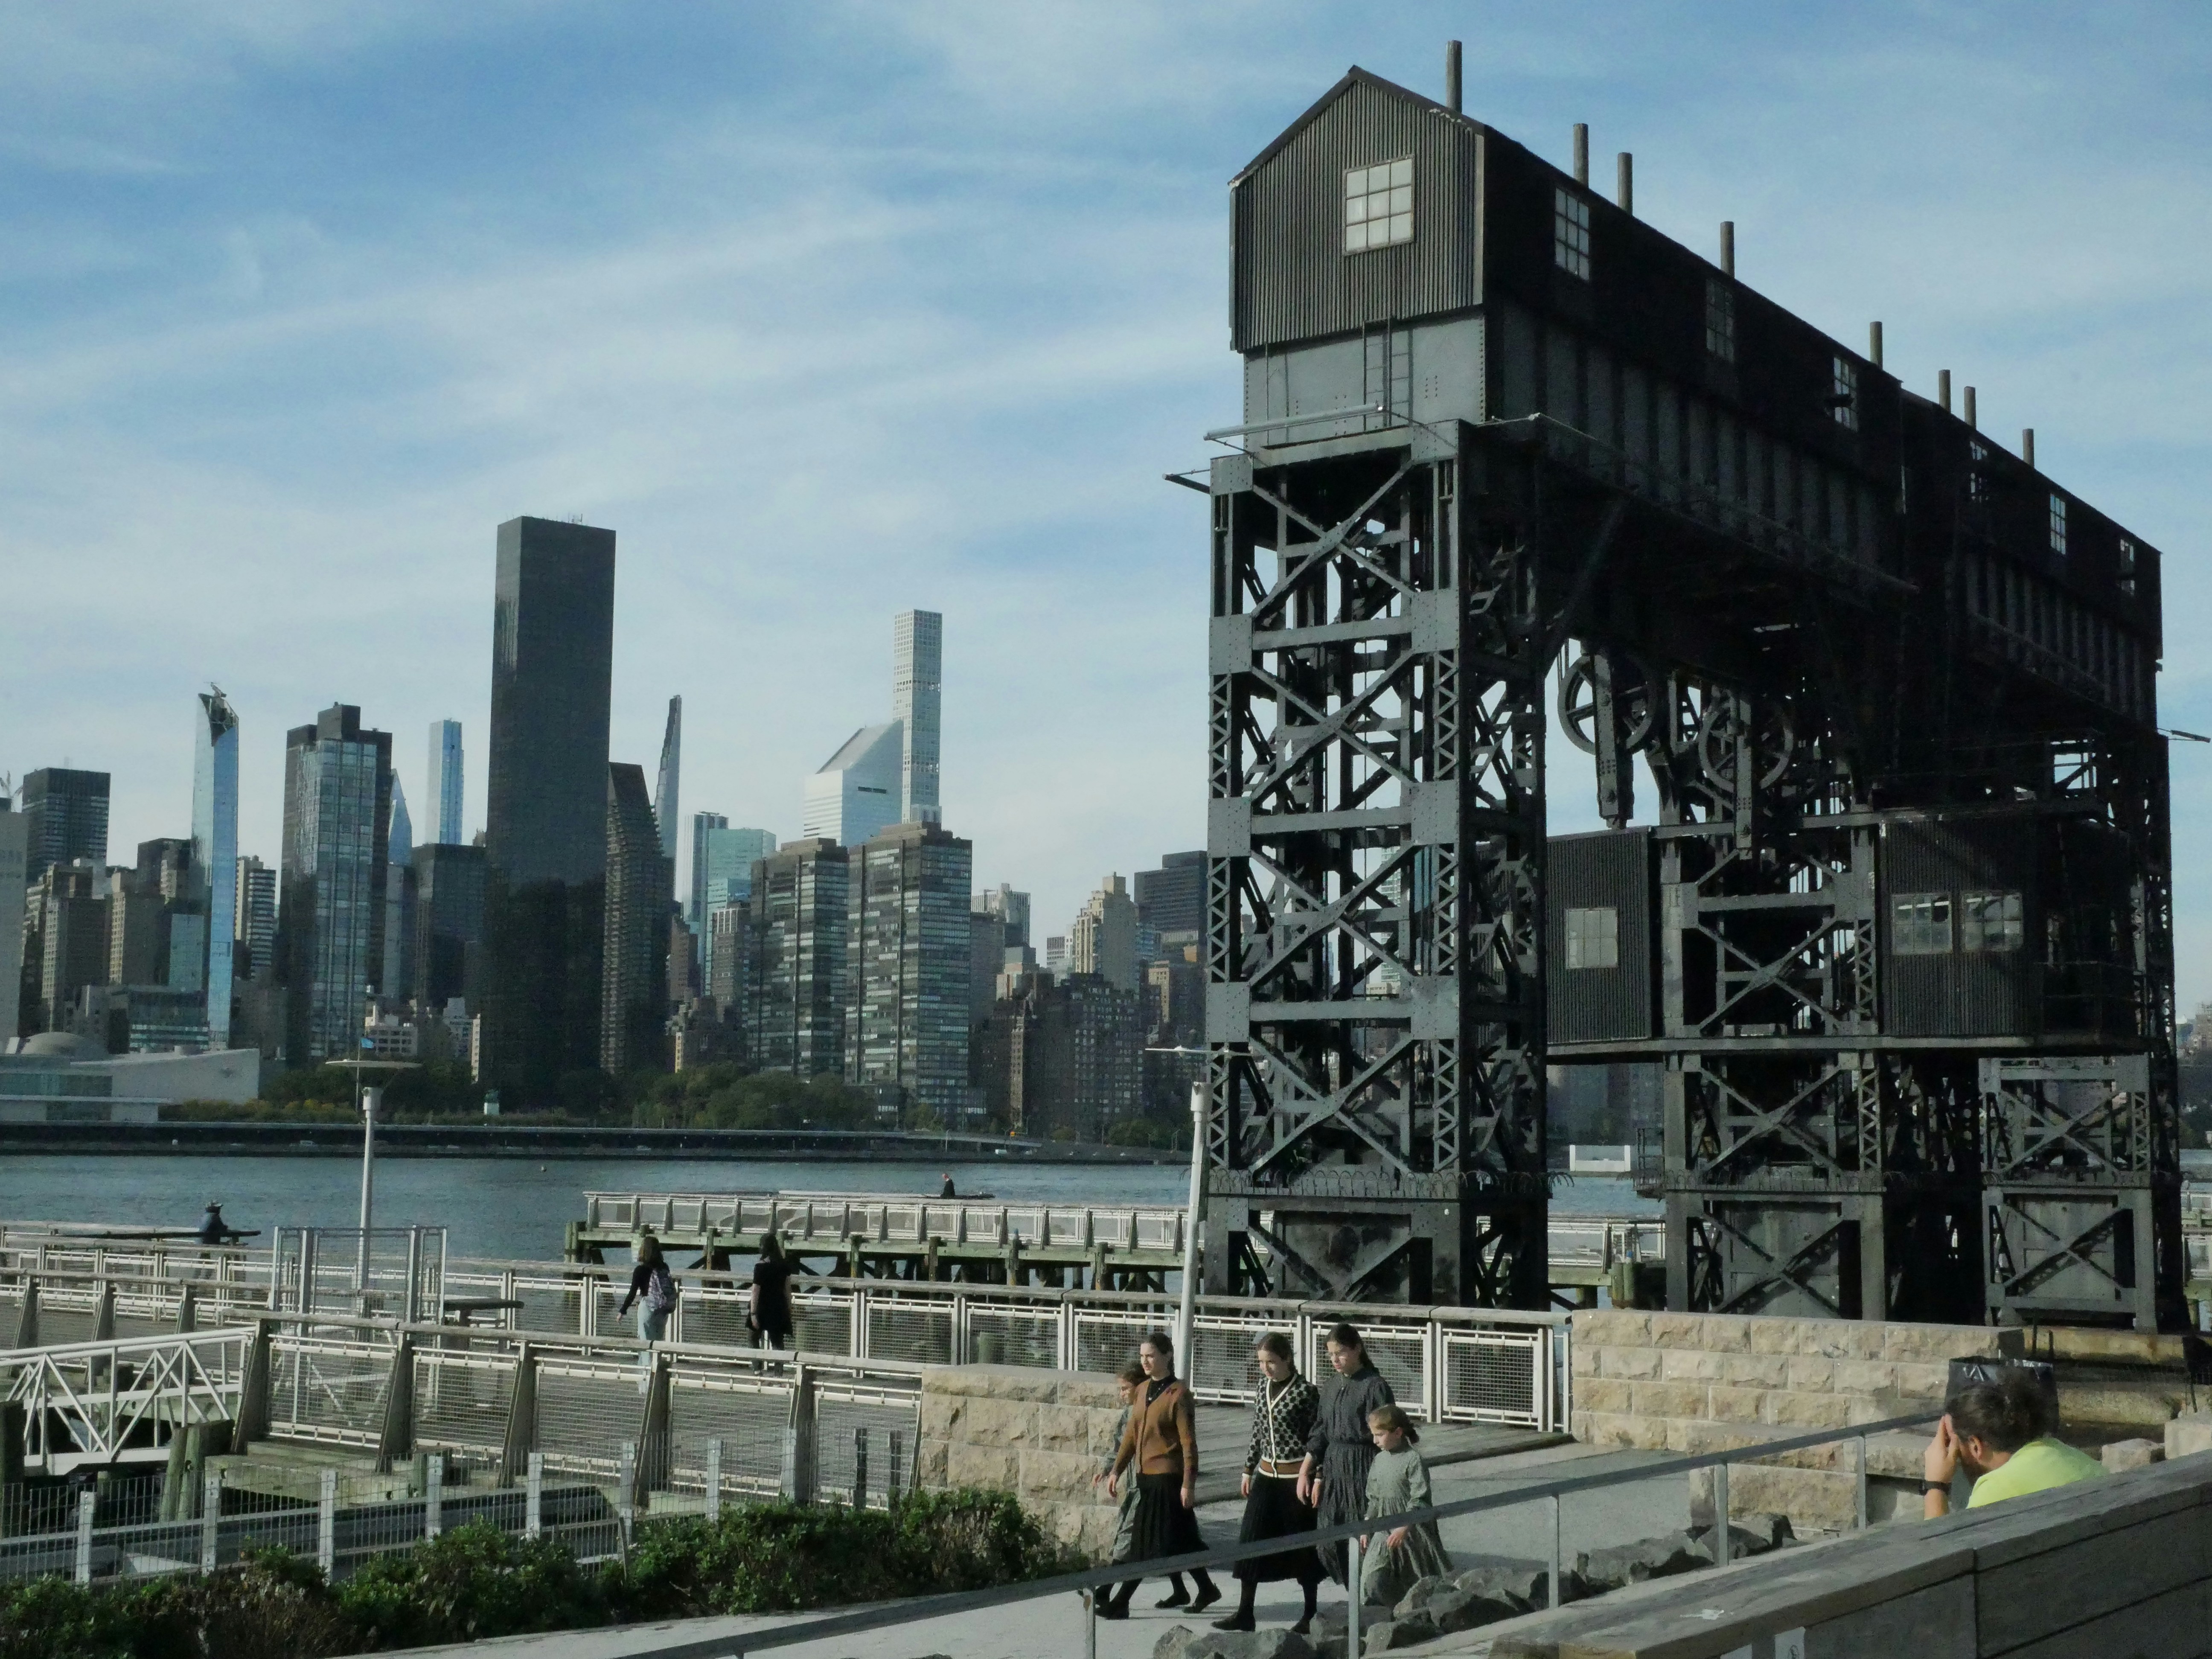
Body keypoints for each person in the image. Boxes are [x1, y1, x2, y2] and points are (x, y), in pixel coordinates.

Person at [1098, 1330, 1220, 1620]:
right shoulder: (1142, 1390)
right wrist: (1116, 1470)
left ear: (1167, 1356)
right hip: (1145, 1478)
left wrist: (1188, 1484)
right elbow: (1131, 1436)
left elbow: (1189, 1444)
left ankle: (1121, 1602)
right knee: (1182, 1541)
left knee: (1144, 1543)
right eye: (1142, 1356)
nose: (1145, 1362)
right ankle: (1206, 1588)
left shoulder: (1179, 1394)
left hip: (1167, 1479)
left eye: (1151, 1356)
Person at [1214, 1333, 1325, 1635]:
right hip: (1266, 1475)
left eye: (1272, 1362)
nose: (1266, 1368)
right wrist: (1247, 1468)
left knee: (1302, 1545)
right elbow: (1259, 1429)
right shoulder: (1262, 1387)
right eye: (1262, 1362)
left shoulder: (1305, 1392)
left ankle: (1310, 1613)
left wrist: (1318, 1476)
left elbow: (1318, 1437)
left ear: (1287, 1359)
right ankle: (1245, 1613)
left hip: (1295, 1479)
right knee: (1251, 1540)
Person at [1922, 1368, 2104, 1516]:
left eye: (1955, 1446)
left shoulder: (1996, 1490)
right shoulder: (2072, 1457)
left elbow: (1941, 1550)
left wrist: (1936, 1486)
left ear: (1976, 1446)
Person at [1298, 1322, 1394, 1587]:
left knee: (1362, 1540)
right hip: (1334, 1468)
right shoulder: (1331, 1386)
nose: (1335, 1360)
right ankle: (1354, 1595)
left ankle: (1365, 1597)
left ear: (1357, 1349)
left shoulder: (1374, 1386)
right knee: (1329, 1540)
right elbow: (1321, 1431)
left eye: (1340, 1353)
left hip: (1363, 1466)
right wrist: (1309, 1472)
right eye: (1331, 1354)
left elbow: (1387, 1433)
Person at [1359, 1405, 1451, 1607]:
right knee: (1371, 1577)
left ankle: (1410, 1612)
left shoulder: (1413, 1460)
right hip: (1384, 1527)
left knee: (1415, 1579)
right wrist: (1367, 1525)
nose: (1375, 1441)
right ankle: (1384, 1610)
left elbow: (1420, 1498)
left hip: (1412, 1531)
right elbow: (1374, 1497)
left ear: (1398, 1433)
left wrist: (1405, 1527)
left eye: (1380, 1435)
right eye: (1373, 1435)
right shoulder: (1379, 1460)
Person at [1091, 1363, 1149, 1585]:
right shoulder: (1128, 1413)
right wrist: (1108, 1469)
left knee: (1128, 1533)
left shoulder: (1147, 1410)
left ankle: (1107, 1588)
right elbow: (1120, 1445)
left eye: (1126, 1389)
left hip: (1149, 1482)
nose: (1122, 1394)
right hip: (1135, 1483)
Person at [617, 1234, 678, 1344]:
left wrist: (622, 1311)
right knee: (658, 1342)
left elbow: (632, 1293)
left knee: (645, 1343)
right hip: (662, 1311)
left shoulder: (640, 1270)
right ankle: (657, 1356)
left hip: (648, 1309)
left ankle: (646, 1356)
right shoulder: (664, 1267)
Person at [749, 1232, 796, 1350]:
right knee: (777, 1341)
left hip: (762, 1307)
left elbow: (756, 1291)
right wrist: (789, 1309)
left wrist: (753, 1313)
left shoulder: (760, 1267)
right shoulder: (783, 1266)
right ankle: (778, 1362)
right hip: (778, 1308)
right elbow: (788, 1291)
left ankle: (756, 1362)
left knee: (753, 1337)